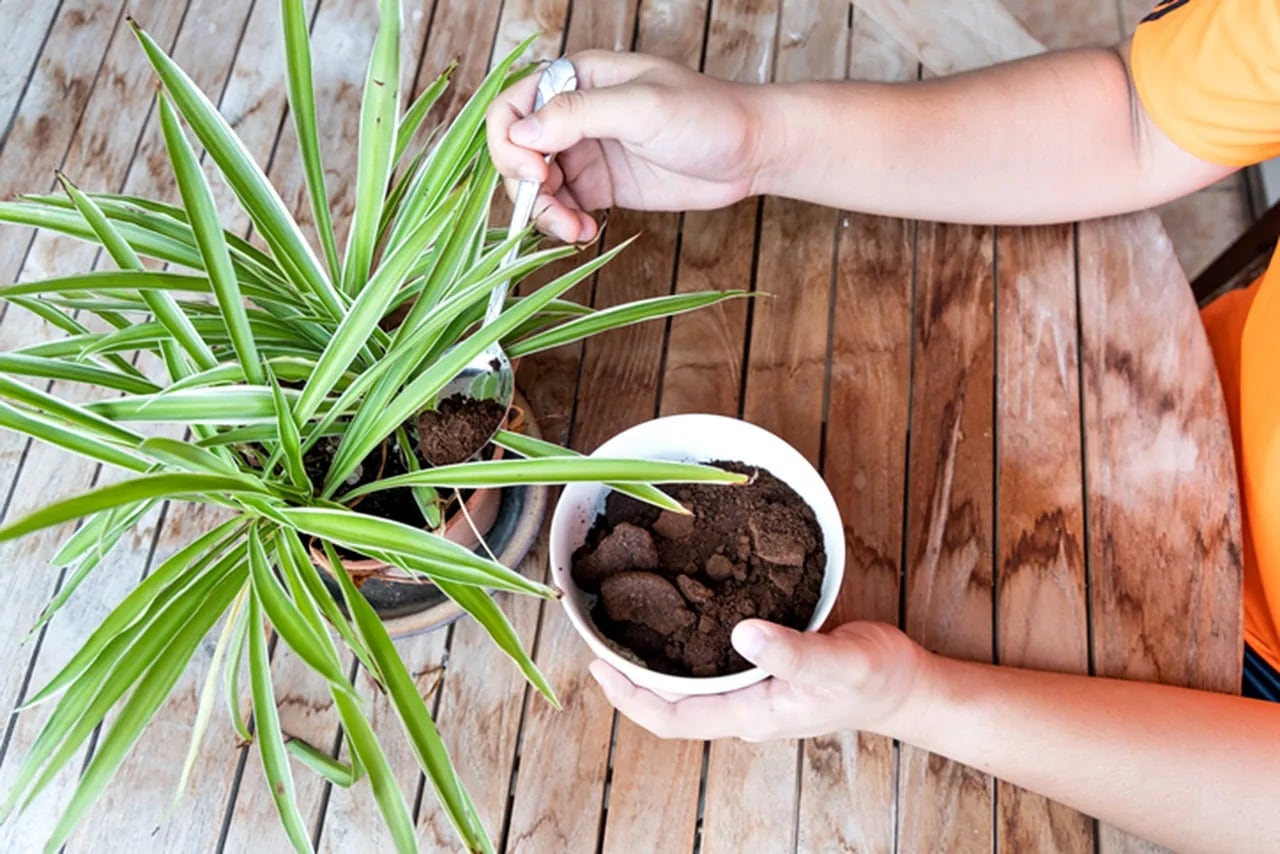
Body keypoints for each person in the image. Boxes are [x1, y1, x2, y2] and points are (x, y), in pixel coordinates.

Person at [486, 1, 1280, 850]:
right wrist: (756, 138)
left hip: (1216, 703)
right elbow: (1139, 116)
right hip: (1169, 397)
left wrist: (912, 698)